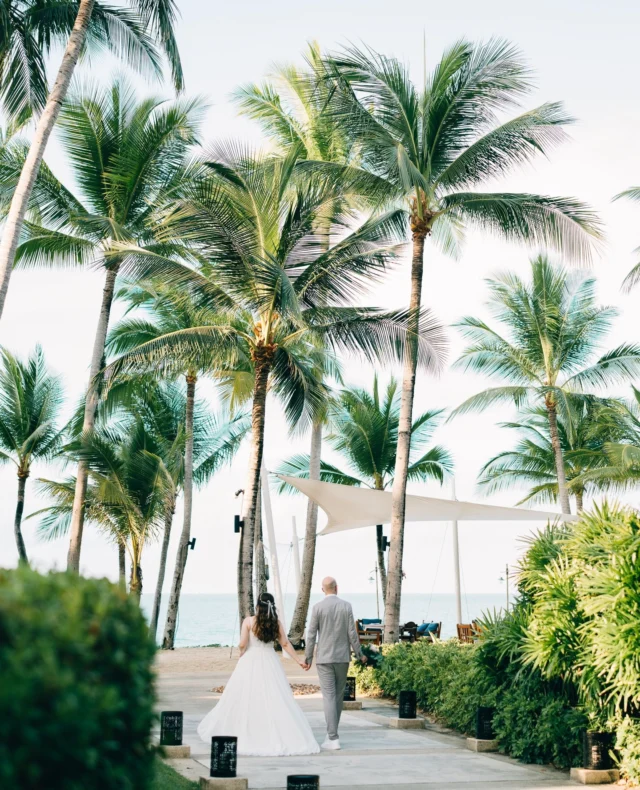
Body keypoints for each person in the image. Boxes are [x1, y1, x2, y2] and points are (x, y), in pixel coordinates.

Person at [197, 592, 320, 756]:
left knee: (245, 695)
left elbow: (242, 644)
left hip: (250, 660)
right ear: (272, 606)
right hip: (270, 661)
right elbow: (285, 643)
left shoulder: (248, 621)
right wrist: (298, 660)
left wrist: (242, 652)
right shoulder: (276, 623)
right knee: (274, 697)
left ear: (258, 605)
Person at [303, 576, 366, 751]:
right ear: (337, 588)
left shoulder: (317, 608)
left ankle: (333, 737)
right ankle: (332, 735)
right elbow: (352, 634)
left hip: (324, 658)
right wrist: (359, 654)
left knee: (329, 697)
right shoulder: (346, 606)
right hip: (342, 657)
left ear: (323, 590)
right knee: (337, 697)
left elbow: (311, 635)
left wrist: (308, 657)